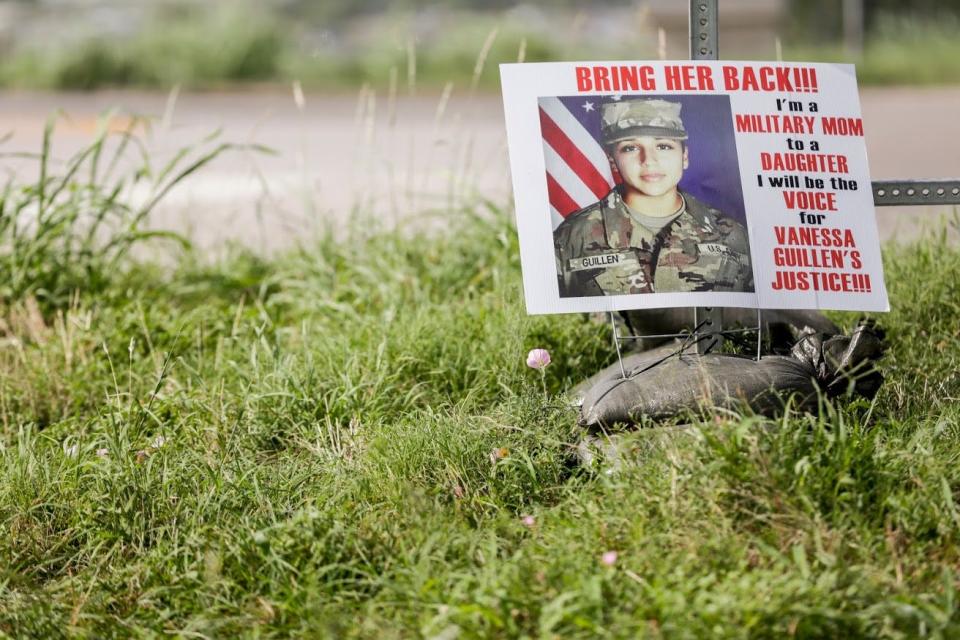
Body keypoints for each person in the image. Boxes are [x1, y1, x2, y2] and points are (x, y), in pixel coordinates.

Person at [554, 98, 754, 298]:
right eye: (630, 148)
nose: (649, 160)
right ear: (613, 161)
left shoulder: (730, 234)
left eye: (664, 146)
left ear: (684, 156)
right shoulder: (572, 237)